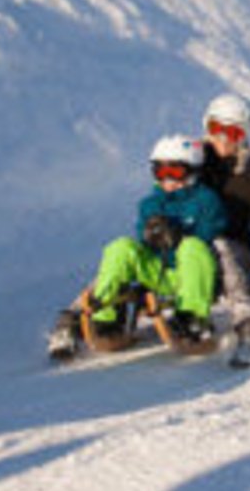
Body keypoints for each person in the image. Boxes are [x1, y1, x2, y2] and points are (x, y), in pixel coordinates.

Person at [48, 135, 227, 361]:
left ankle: (192, 319)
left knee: (193, 247)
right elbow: (143, 244)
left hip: (191, 275)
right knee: (121, 247)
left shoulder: (207, 201)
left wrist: (180, 235)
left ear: (192, 171)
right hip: (157, 271)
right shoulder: (149, 204)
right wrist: (151, 236)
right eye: (161, 172)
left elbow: (212, 233)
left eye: (176, 172)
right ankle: (106, 315)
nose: (168, 179)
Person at [198, 93, 250, 368]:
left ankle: (249, 326)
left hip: (236, 248)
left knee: (221, 245)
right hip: (196, 248)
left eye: (232, 132)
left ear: (244, 135)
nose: (223, 138)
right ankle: (89, 312)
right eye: (216, 129)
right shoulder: (194, 163)